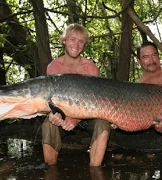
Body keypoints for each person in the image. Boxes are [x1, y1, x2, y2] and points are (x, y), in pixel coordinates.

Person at [41, 23, 110, 166]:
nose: (76, 45)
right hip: (63, 115)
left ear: (84, 45)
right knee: (48, 124)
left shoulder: (90, 68)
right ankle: (50, 169)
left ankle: (95, 170)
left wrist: (75, 120)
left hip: (87, 116)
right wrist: (55, 115)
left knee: (103, 125)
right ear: (64, 40)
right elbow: (53, 101)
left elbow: (95, 102)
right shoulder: (53, 67)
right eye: (72, 39)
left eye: (81, 41)